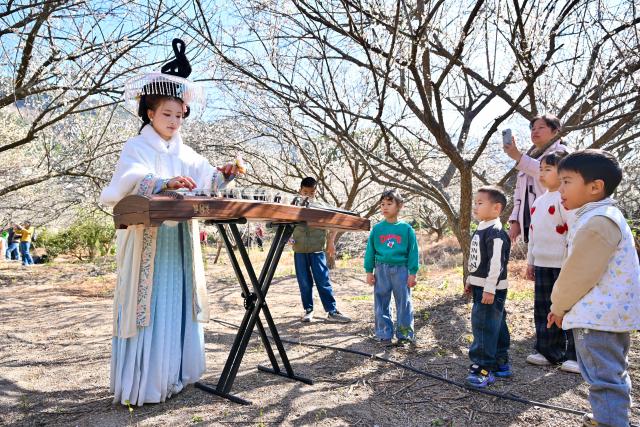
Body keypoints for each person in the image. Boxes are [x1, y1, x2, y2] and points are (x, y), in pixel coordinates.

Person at [99, 38, 241, 406]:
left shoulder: (185, 151)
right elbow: (125, 184)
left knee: (179, 300)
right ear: (149, 113)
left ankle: (176, 373)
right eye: (167, 115)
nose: (175, 122)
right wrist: (163, 182)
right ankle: (147, 382)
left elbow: (209, 179)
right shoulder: (137, 147)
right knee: (150, 304)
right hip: (148, 240)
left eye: (180, 116)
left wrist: (224, 173)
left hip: (178, 241)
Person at [548, 149, 640, 426]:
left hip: (597, 317)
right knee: (611, 373)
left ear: (595, 187)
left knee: (603, 377)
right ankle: (609, 416)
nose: (559, 187)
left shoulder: (597, 221)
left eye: (566, 181)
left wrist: (558, 306)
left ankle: (611, 421)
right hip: (610, 315)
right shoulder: (603, 215)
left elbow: (578, 274)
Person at [524, 151, 579, 373]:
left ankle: (574, 354)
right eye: (541, 169)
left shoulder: (566, 200)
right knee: (543, 308)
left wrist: (571, 262)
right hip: (542, 263)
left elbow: (573, 233)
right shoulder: (538, 201)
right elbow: (533, 232)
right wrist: (531, 261)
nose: (542, 173)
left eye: (548, 169)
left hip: (564, 265)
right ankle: (547, 350)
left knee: (567, 307)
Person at [463, 186, 512, 388]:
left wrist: (490, 289)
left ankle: (483, 367)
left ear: (496, 208)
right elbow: (477, 260)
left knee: (483, 325)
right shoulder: (482, 227)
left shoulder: (496, 233)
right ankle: (501, 362)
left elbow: (495, 264)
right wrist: (470, 279)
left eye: (480, 203)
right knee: (496, 323)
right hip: (481, 285)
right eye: (475, 203)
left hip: (490, 289)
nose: (475, 206)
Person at [291, 177, 351, 323]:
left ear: (315, 192)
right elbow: (286, 224)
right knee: (304, 282)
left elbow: (335, 223)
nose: (308, 195)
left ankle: (331, 311)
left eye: (311, 192)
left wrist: (331, 242)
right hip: (299, 250)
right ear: (300, 190)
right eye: (305, 192)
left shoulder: (321, 206)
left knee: (323, 280)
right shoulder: (292, 206)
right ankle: (308, 310)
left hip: (317, 250)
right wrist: (288, 238)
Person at [364, 190, 419, 346]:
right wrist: (369, 271)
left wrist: (412, 273)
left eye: (389, 204)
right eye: (382, 204)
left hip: (401, 269)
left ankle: (405, 334)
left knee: (404, 302)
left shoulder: (406, 229)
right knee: (381, 301)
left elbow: (413, 252)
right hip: (381, 269)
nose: (385, 207)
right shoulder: (377, 229)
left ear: (399, 206)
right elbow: (370, 251)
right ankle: (384, 334)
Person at [503, 114, 570, 243]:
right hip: (532, 219)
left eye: (541, 127)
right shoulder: (530, 156)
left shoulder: (562, 152)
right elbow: (518, 194)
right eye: (533, 129)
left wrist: (518, 156)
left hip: (554, 217)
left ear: (555, 131)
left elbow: (552, 175)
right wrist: (515, 220)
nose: (535, 131)